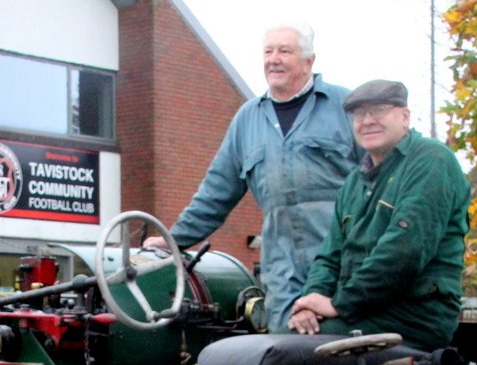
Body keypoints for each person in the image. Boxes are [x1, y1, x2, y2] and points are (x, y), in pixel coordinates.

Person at [144, 22, 362, 332]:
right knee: (287, 353)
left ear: (309, 61)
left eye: (285, 51)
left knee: (343, 350)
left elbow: (382, 178)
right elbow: (216, 192)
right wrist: (174, 240)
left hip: (344, 263)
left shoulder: (346, 106)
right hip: (284, 271)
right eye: (268, 51)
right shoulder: (248, 119)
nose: (274, 59)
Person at [288, 79, 470, 352]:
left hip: (415, 315)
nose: (368, 120)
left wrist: (339, 304)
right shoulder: (354, 183)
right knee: (281, 338)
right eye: (359, 114)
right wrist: (311, 301)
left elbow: (404, 251)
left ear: (405, 117)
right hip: (363, 311)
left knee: (298, 353)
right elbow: (329, 256)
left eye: (379, 111)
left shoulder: (431, 160)